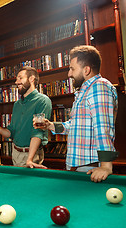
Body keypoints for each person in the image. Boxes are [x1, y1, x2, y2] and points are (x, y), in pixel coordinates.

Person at [34, 45, 118, 183]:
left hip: (90, 167)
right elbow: (76, 125)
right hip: (79, 165)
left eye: (72, 68)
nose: (69, 74)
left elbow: (103, 128)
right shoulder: (84, 91)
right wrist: (50, 126)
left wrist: (106, 166)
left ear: (86, 70)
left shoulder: (99, 86)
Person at [0, 66, 52, 168]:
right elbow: (11, 132)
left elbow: (38, 133)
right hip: (15, 153)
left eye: (20, 78)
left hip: (31, 155)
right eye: (17, 79)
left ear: (31, 79)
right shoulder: (17, 104)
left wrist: (29, 159)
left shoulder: (43, 101)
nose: (16, 82)